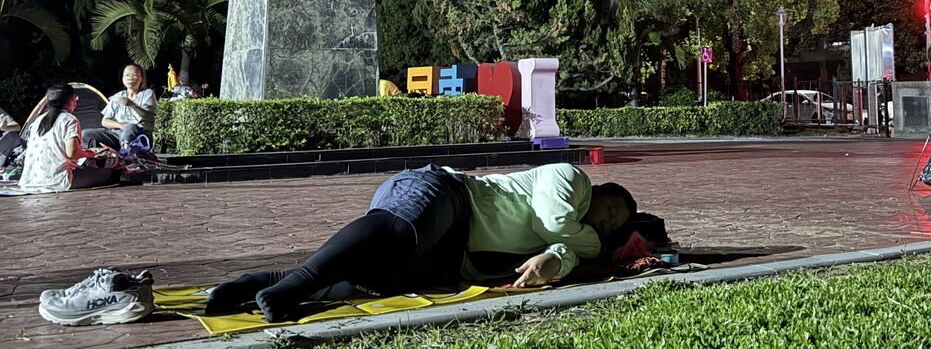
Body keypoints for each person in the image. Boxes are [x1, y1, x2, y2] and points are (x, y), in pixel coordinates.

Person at [206, 162, 636, 322]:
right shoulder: (571, 180)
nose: (604, 224)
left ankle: (261, 281)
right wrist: (576, 248)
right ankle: (296, 283)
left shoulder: (580, 241)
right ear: (600, 192)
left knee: (371, 283)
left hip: (452, 256)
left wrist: (555, 262)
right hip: (447, 196)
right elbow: (553, 220)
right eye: (610, 212)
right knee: (397, 236)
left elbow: (562, 250)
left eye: (611, 227)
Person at [19, 85, 114, 192]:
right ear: (69, 100)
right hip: (57, 181)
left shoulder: (37, 121)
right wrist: (90, 153)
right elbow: (72, 153)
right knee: (108, 173)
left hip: (30, 182)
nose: (76, 101)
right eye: (75, 98)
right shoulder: (69, 119)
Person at [84, 65, 156, 152]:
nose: (130, 78)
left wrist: (131, 104)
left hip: (139, 134)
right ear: (122, 78)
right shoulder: (118, 96)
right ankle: (92, 158)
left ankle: (125, 156)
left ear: (141, 78)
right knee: (86, 133)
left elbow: (149, 117)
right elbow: (105, 121)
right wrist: (121, 125)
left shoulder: (147, 94)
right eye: (127, 75)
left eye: (134, 75)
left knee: (130, 127)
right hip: (118, 133)